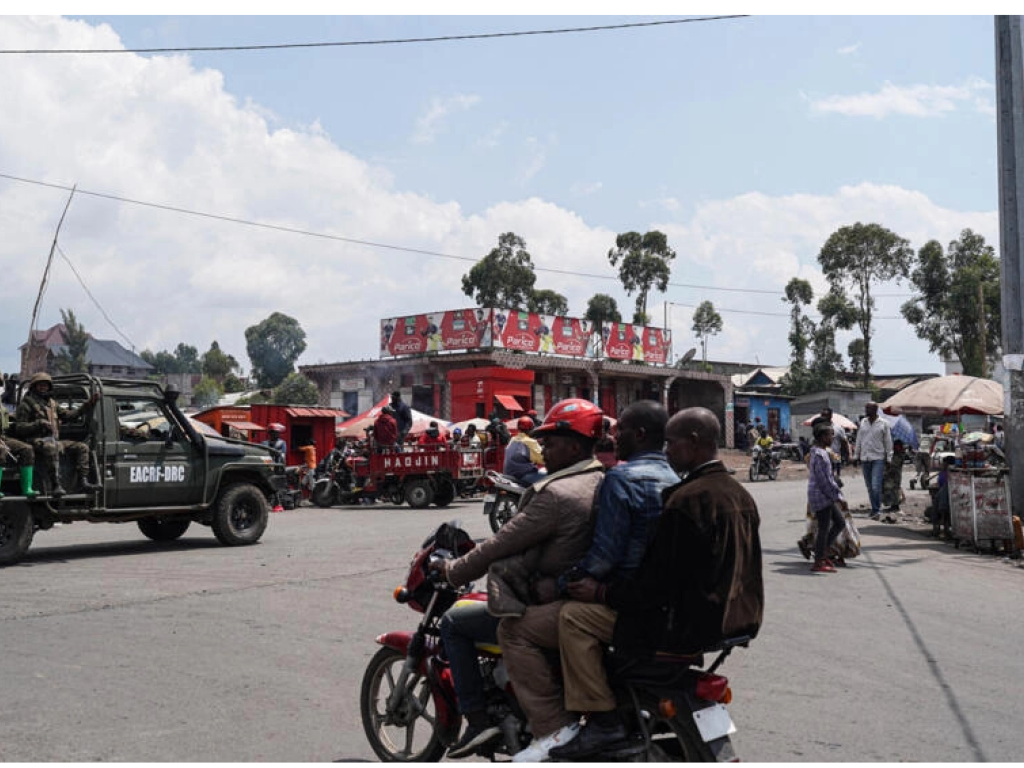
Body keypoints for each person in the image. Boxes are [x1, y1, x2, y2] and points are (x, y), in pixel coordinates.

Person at [548, 407, 764, 760]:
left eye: (672, 444)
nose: (667, 452)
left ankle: (603, 723)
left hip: (682, 624)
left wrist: (600, 591)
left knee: (572, 617)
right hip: (736, 620)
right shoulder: (740, 496)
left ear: (693, 443)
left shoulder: (687, 501)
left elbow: (655, 586)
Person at [434, 399, 605, 762]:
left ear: (575, 446)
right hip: (580, 594)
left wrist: (455, 570)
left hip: (550, 599)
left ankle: (484, 721)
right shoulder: (600, 479)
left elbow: (499, 544)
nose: (543, 448)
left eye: (551, 443)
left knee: (455, 623)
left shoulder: (556, 495)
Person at [14, 372, 99, 497]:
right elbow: (19, 428)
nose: (43, 388)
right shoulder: (26, 404)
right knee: (51, 448)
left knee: (82, 447)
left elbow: (69, 416)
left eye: (45, 385)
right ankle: (55, 485)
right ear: (34, 387)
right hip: (34, 440)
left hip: (53, 439)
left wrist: (87, 405)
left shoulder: (52, 403)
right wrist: (38, 424)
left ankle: (83, 481)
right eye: (40, 385)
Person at [804, 422, 847, 572]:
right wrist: (837, 495)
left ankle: (822, 551)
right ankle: (818, 561)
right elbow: (825, 481)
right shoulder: (820, 454)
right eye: (830, 435)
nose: (832, 437)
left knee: (839, 523)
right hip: (822, 495)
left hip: (822, 494)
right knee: (824, 527)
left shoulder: (819, 451)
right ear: (823, 437)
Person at [0, 373, 39, 499]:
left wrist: (18, 416)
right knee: (1, 450)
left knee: (26, 449)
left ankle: (27, 488)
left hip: (3, 436)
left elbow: (5, 416)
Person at [853, 402, 893, 521]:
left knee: (876, 485)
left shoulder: (883, 423)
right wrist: (856, 456)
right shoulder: (863, 422)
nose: (866, 410)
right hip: (865, 458)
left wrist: (889, 457)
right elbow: (859, 439)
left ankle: (877, 509)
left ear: (875, 409)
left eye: (868, 408)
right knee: (870, 486)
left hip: (878, 458)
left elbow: (888, 441)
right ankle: (874, 509)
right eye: (866, 408)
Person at [503, 416, 546, 485]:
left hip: (508, 474)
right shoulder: (530, 442)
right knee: (550, 478)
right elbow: (543, 459)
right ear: (531, 429)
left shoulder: (513, 439)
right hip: (522, 475)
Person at [881, 439, 906, 520]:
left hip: (895, 475)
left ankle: (896, 507)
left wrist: (888, 463)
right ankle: (892, 506)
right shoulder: (895, 454)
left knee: (895, 490)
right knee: (891, 490)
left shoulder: (900, 455)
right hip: (892, 475)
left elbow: (894, 465)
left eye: (897, 446)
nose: (895, 447)